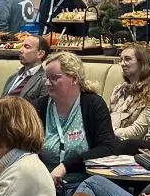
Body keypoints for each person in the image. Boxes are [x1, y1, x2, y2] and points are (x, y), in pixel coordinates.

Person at [37, 51, 114, 185]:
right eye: (46, 78)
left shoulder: (92, 104)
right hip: (44, 181)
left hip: (84, 182)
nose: (47, 83)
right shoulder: (40, 106)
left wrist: (65, 167)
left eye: (54, 78)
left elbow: (107, 148)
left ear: (74, 79)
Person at [109, 43, 150, 145]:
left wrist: (106, 132)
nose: (122, 63)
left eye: (127, 59)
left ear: (142, 63)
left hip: (129, 146)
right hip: (108, 141)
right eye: (121, 59)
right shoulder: (119, 90)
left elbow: (136, 132)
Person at [2, 33, 48, 100]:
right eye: (22, 46)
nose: (20, 50)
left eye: (27, 47)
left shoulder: (45, 81)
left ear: (40, 54)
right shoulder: (12, 77)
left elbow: (41, 106)